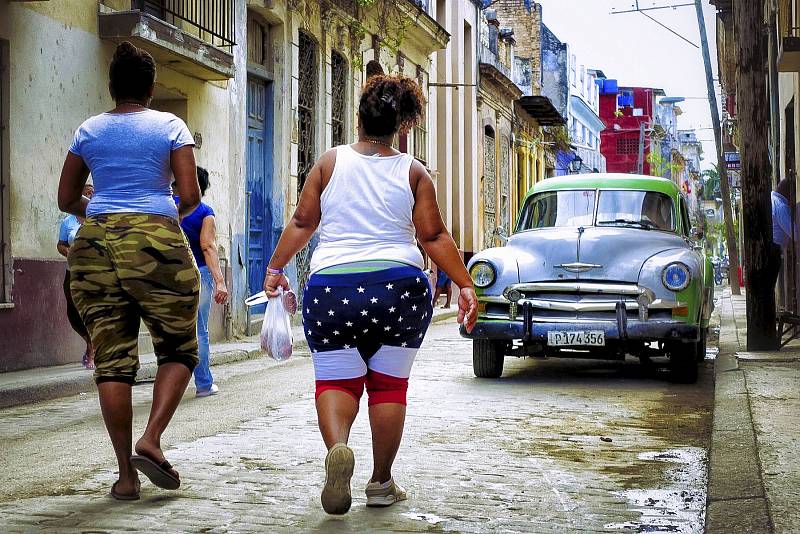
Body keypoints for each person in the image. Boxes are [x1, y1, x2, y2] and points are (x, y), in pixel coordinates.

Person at [262, 74, 478, 515]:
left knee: (336, 380)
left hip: (332, 286)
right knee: (388, 387)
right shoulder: (414, 171)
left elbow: (303, 223)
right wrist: (464, 283)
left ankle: (338, 448)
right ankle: (380, 482)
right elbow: (432, 234)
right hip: (399, 288)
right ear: (402, 124)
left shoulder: (329, 162)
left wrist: (274, 268)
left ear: (358, 118)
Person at [57, 41, 201, 501]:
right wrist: (153, 220)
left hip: (94, 242)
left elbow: (66, 199)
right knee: (179, 345)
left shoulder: (88, 130)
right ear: (152, 88)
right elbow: (191, 195)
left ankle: (125, 475)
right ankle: (152, 440)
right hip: (156, 236)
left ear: (112, 87)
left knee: (113, 360)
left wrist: (99, 210)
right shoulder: (171, 126)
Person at [174, 166, 229, 397]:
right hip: (198, 273)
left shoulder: (166, 206)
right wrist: (220, 281)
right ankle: (204, 384)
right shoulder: (204, 212)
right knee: (199, 330)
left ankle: (170, 386)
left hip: (168, 275)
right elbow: (207, 245)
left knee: (172, 331)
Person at [58, 182, 95, 369]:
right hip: (72, 271)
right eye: (87, 193)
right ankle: (89, 341)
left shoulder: (98, 218)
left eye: (93, 192)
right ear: (80, 196)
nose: (90, 195)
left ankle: (93, 349)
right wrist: (68, 251)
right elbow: (61, 244)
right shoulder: (68, 222)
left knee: (92, 309)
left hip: (95, 273)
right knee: (73, 311)